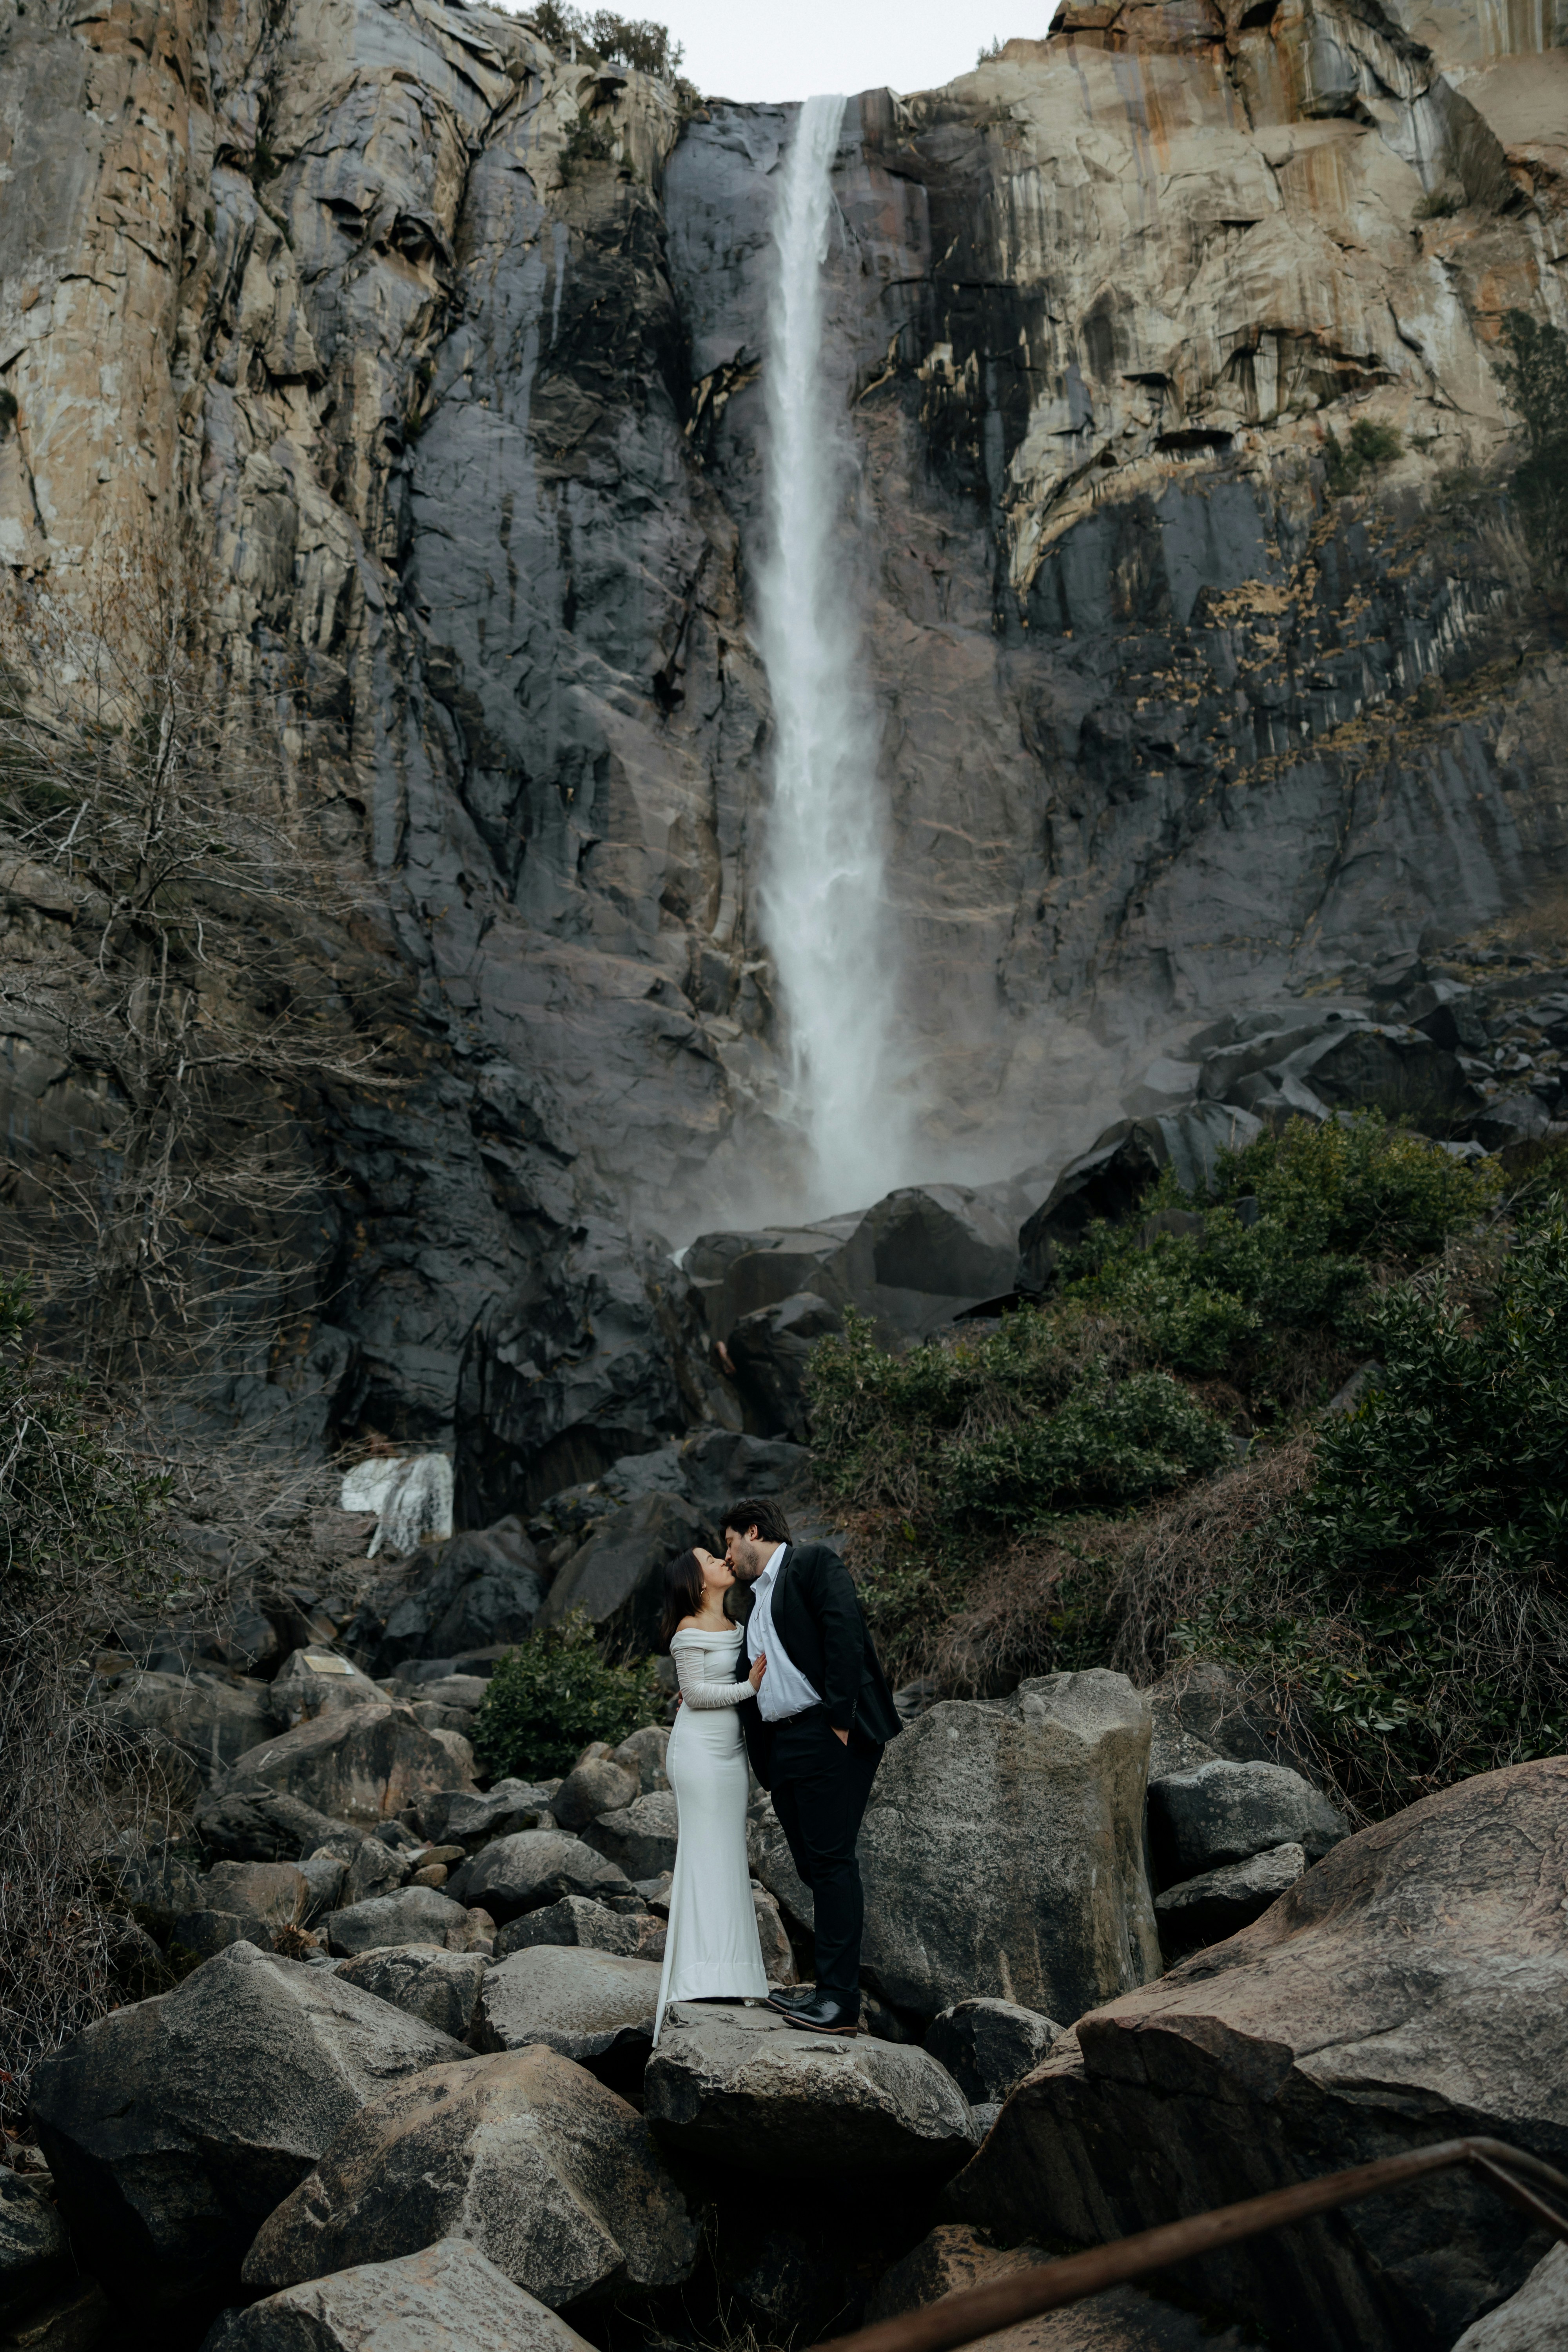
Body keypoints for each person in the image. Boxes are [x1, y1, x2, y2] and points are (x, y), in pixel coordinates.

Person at [723, 1496, 901, 2036]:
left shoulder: (813, 1564)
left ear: (754, 1531)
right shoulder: (752, 1604)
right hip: (785, 1746)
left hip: (827, 1732)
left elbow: (844, 1634)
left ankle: (839, 2001)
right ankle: (836, 1991)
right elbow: (748, 1681)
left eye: (729, 1543)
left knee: (830, 1863)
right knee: (812, 1866)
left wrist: (840, 1722)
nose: (726, 1557)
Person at [651, 1544, 770, 2045]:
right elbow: (697, 1697)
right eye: (709, 1559)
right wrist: (749, 1687)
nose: (723, 1560)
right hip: (698, 1754)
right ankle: (696, 1977)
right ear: (697, 1583)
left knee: (729, 1857)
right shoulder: (687, 1630)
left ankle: (737, 1974)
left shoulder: (739, 1626)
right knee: (702, 1856)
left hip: (731, 1757)